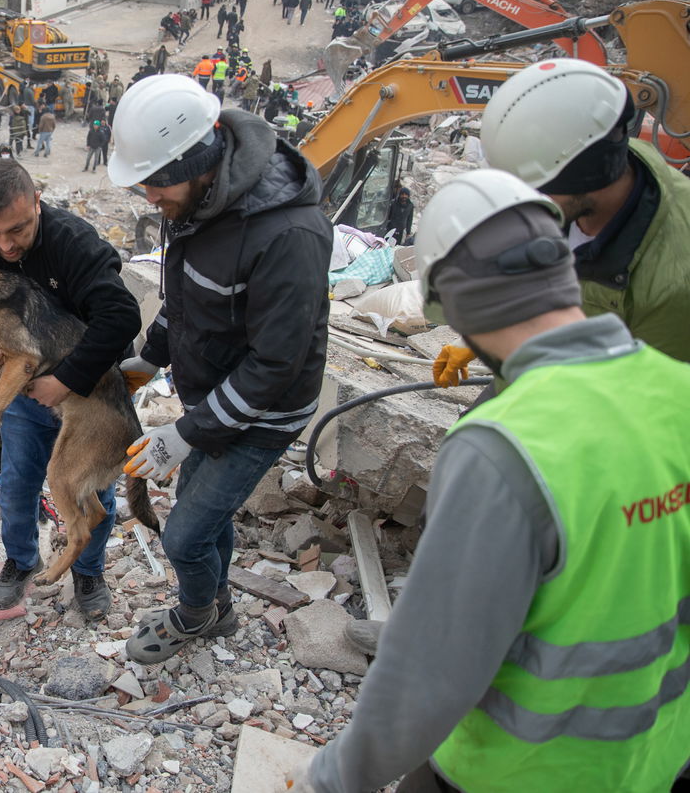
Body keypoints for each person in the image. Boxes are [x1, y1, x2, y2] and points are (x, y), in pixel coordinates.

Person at [294, 170, 690, 793]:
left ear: (451, 308)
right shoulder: (677, 388)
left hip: (520, 771)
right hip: (657, 756)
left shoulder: (502, 449)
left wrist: (334, 777)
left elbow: (429, 679)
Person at [107, 74, 330, 663]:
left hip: (266, 411)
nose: (150, 197)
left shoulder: (288, 235)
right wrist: (150, 358)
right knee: (204, 511)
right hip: (212, 396)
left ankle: (199, 614)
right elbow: (189, 302)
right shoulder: (200, 201)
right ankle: (220, 599)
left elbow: (275, 364)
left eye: (156, 181)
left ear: (200, 157)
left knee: (182, 535)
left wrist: (184, 434)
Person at [0, 160, 140, 617]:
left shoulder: (73, 244)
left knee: (88, 492)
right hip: (22, 392)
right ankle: (20, 562)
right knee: (17, 484)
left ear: (37, 202)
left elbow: (122, 317)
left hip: (91, 392)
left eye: (17, 229)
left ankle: (88, 571)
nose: (5, 245)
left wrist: (65, 380)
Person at [475, 58, 690, 365]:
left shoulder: (673, 290)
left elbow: (641, 403)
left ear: (586, 173)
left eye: (536, 188)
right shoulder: (585, 188)